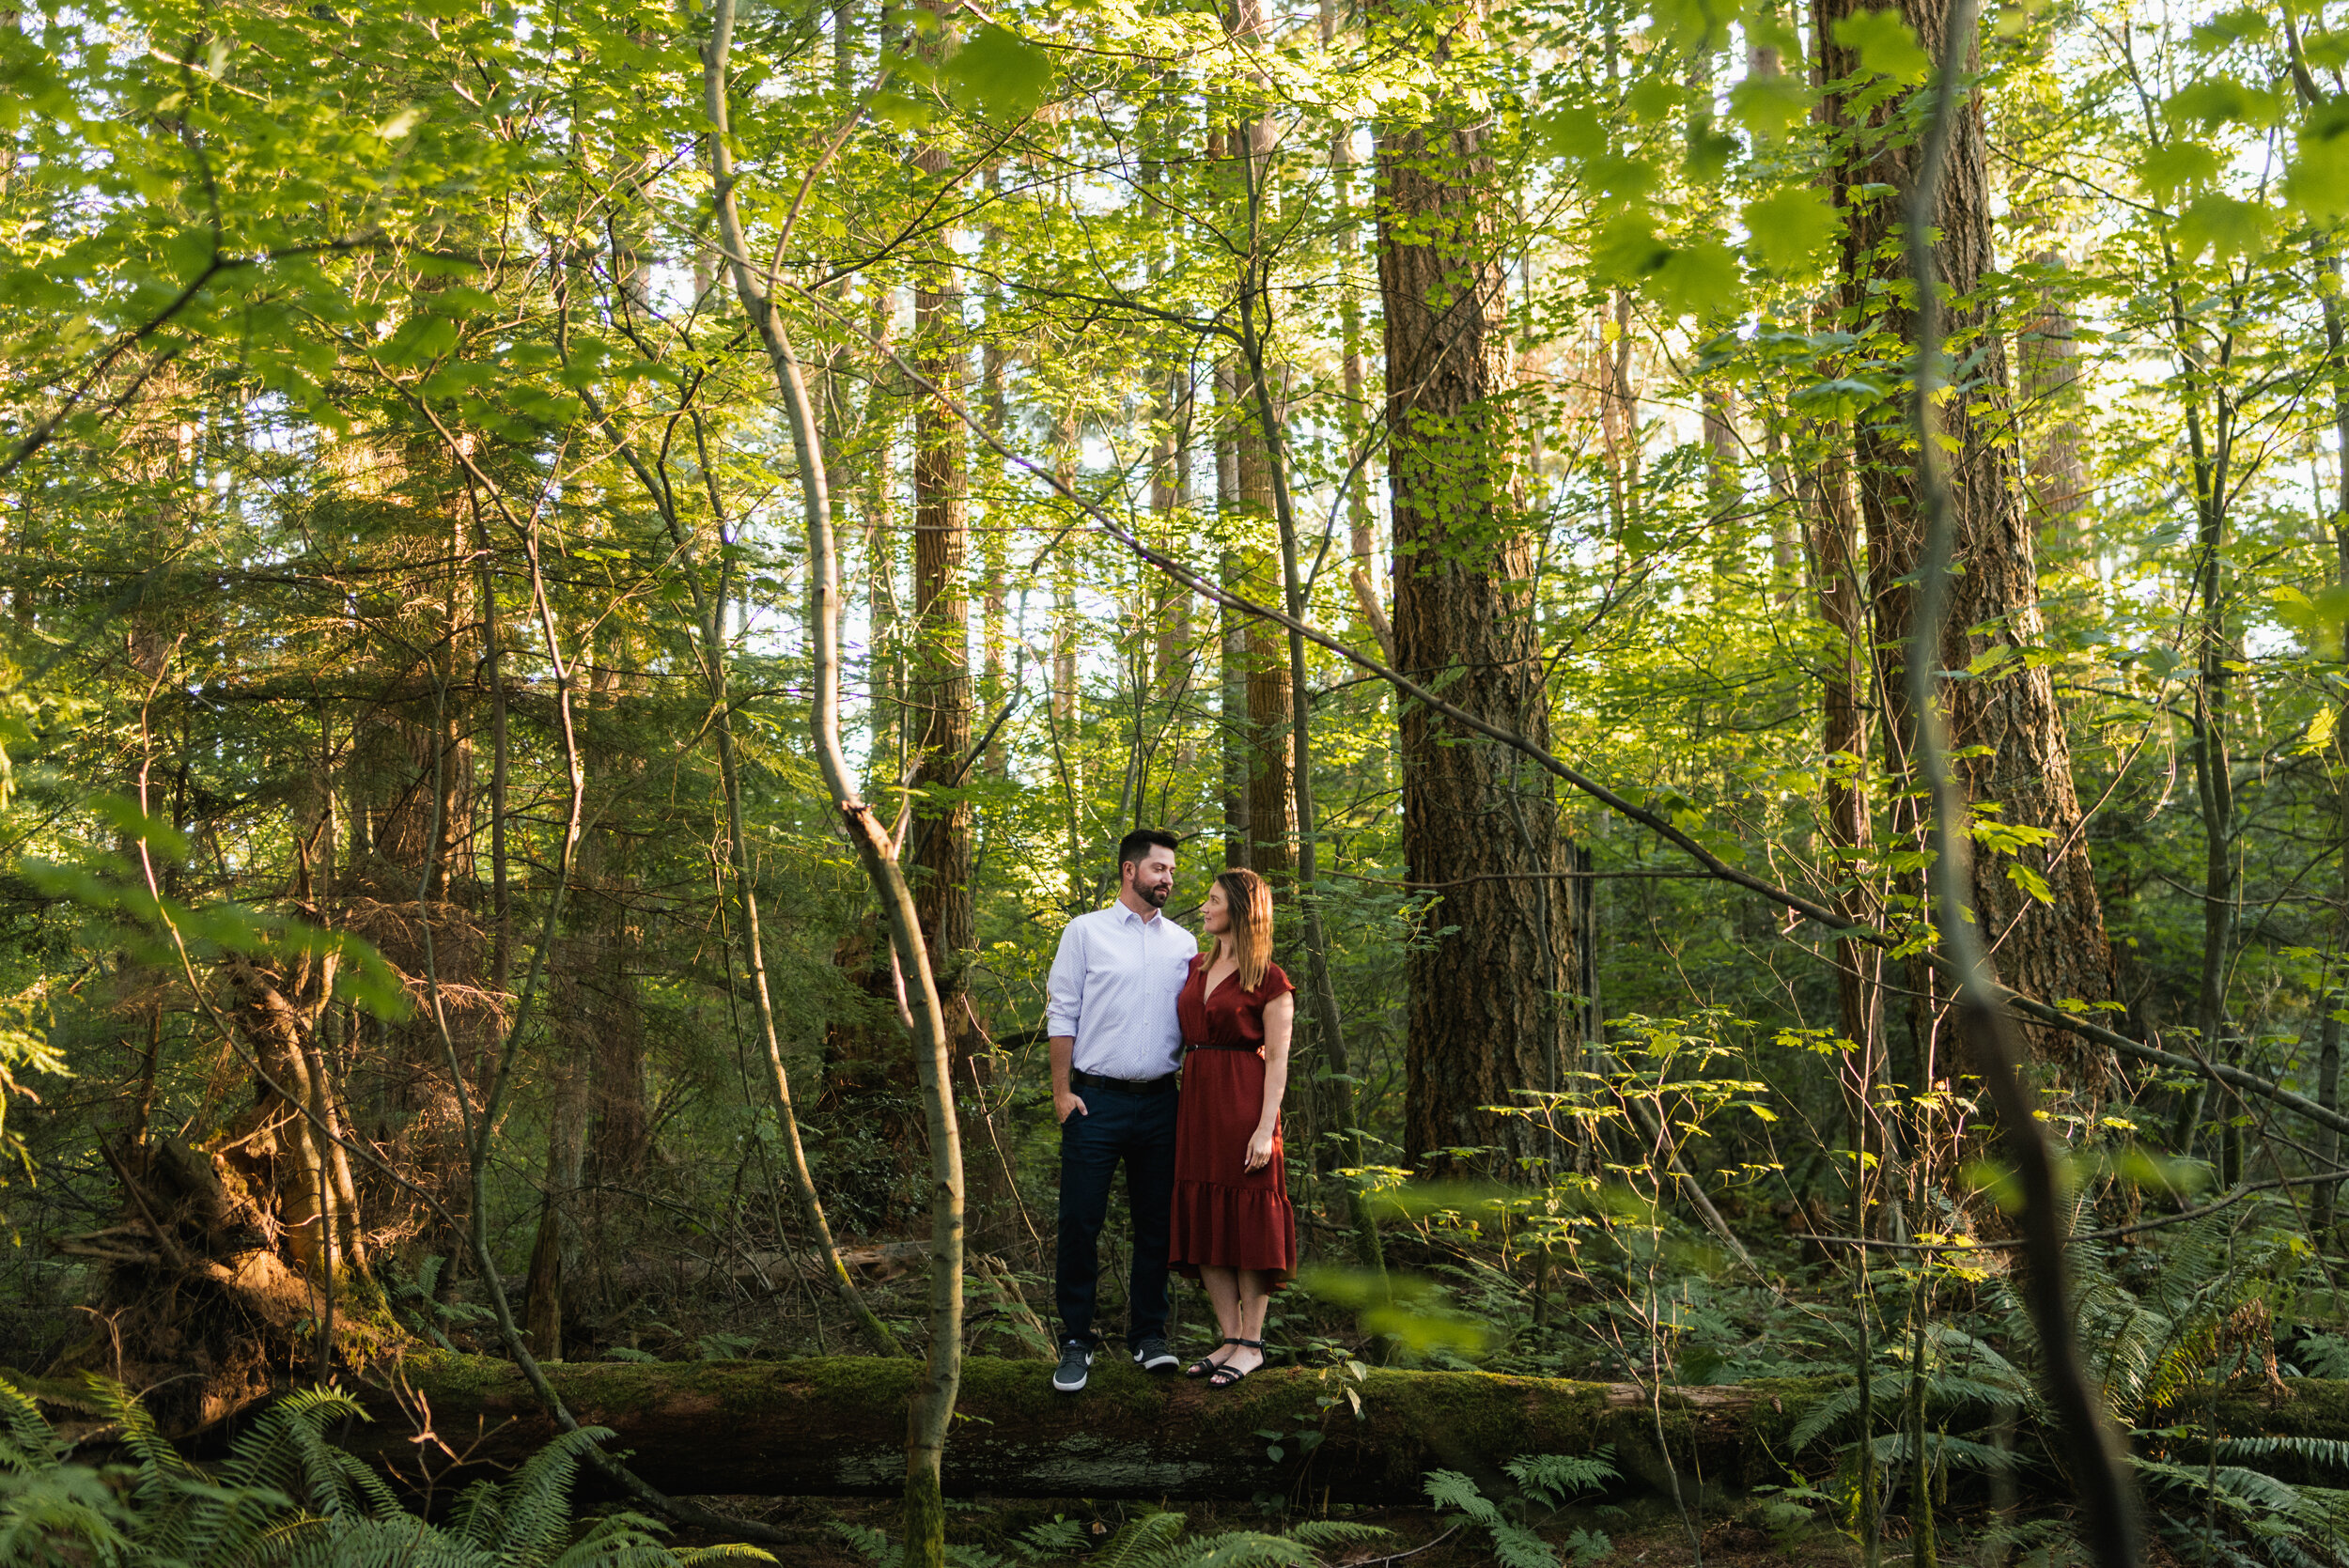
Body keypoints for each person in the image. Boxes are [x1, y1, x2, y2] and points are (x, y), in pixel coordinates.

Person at [1044, 828, 1197, 1393]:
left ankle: (1149, 1336)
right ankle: (1077, 1341)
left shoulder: (1183, 944)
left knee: (1157, 1224)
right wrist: (1063, 1094)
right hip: (1094, 1101)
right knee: (1080, 1221)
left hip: (1162, 1103)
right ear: (1130, 871)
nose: (1169, 879)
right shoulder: (1085, 932)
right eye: (1159, 869)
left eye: (1172, 871)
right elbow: (1063, 1014)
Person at [1166, 867, 1297, 1388]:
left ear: (1240, 911)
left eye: (1214, 899)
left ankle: (1252, 1343)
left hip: (1246, 1102)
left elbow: (1279, 1060)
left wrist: (1265, 1128)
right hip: (1197, 1103)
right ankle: (1227, 1337)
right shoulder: (1196, 965)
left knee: (1247, 1219)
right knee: (1205, 1215)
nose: (1204, 906)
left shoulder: (1270, 977)